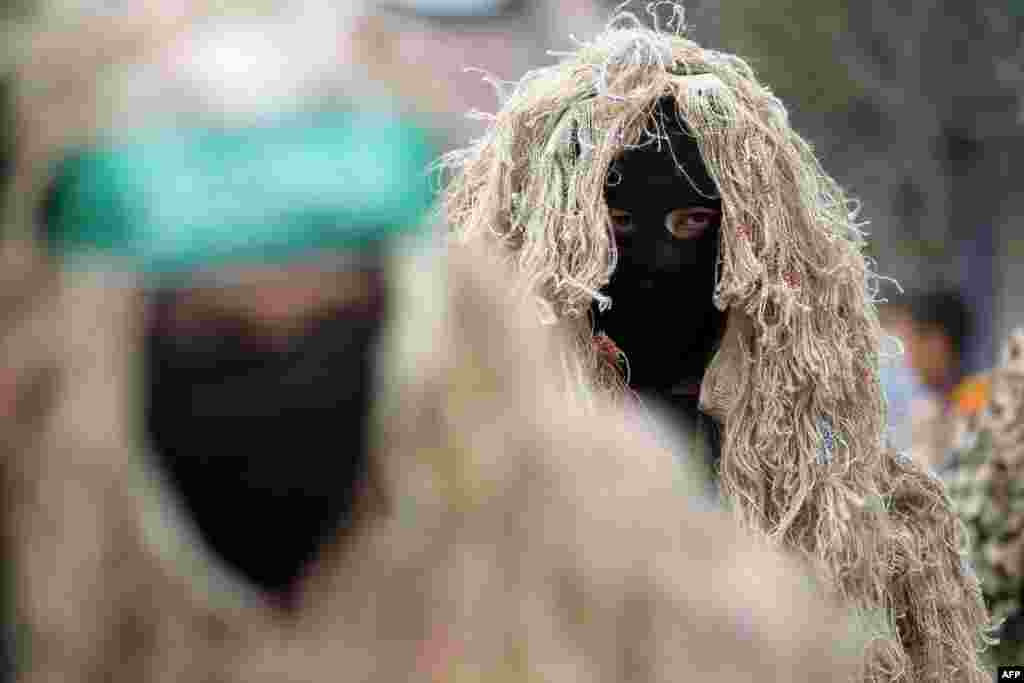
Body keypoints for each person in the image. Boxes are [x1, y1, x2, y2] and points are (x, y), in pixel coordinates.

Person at [1, 4, 859, 681]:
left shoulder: (607, 580)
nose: (284, 371)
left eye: (330, 322)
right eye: (216, 332)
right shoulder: (49, 584)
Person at [441, 4, 993, 680]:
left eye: (691, 221)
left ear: (750, 243)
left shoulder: (857, 526)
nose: (651, 260)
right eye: (611, 224)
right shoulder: (463, 510)